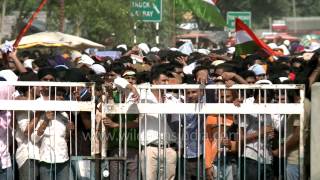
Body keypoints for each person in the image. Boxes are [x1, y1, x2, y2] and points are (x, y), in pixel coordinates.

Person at [139, 64, 178, 180]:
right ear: (154, 82)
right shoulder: (142, 94)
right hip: (150, 148)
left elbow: (178, 122)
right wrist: (132, 88)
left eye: (167, 80)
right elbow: (118, 82)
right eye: (163, 80)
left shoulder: (172, 98)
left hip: (170, 148)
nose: (166, 83)